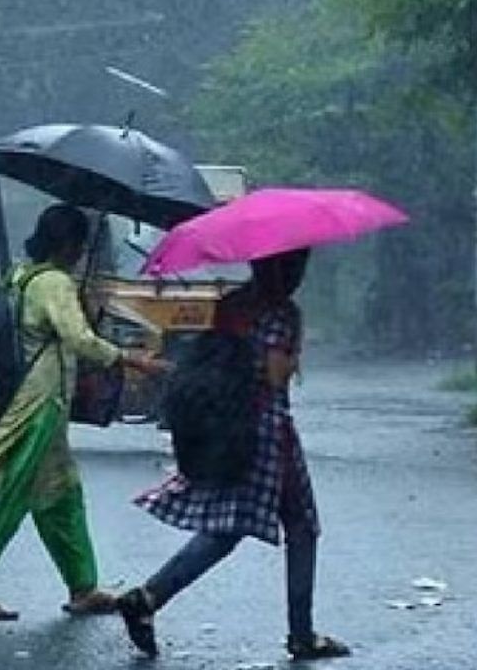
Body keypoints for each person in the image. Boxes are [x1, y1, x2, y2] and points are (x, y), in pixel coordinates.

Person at [117, 249, 350, 660]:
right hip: (268, 431)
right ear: (290, 268)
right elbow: (276, 376)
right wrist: (295, 353)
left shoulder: (232, 304)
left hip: (227, 425)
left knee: (228, 529)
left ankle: (149, 597)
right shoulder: (282, 312)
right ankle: (301, 633)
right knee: (300, 527)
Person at [0, 205, 167, 620]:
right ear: (68, 244)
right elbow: (81, 340)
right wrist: (132, 359)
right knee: (17, 495)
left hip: (37, 401)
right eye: (81, 245)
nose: (82, 252)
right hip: (39, 405)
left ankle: (82, 586)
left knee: (62, 494)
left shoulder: (22, 275)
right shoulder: (54, 283)